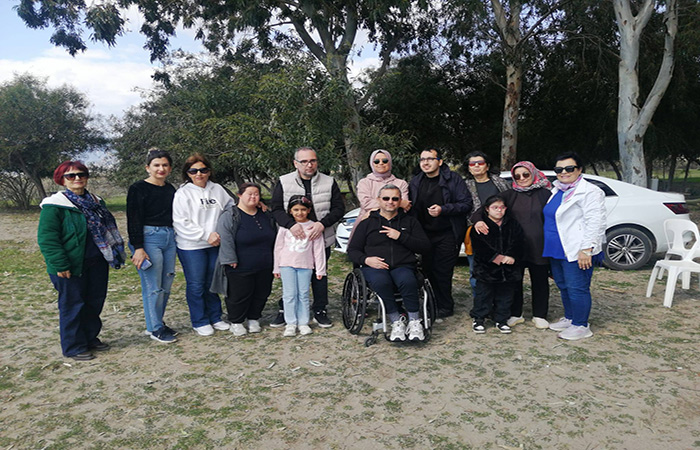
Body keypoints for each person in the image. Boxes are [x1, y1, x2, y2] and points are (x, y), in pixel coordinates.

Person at [38, 161, 126, 361]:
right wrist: (60, 264)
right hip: (71, 264)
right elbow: (48, 238)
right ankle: (73, 346)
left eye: (81, 174)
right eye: (71, 176)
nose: (77, 178)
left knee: (94, 302)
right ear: (62, 180)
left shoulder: (96, 202)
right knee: (73, 305)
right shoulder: (55, 206)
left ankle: (89, 338)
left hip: (97, 261)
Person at [270, 147, 345, 328]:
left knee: (319, 275)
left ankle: (320, 309)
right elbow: (276, 209)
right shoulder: (284, 181)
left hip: (320, 237)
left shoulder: (329, 182)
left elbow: (338, 208)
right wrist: (291, 225)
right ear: (296, 163)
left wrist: (322, 224)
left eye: (312, 160)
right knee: (290, 277)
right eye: (304, 161)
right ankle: (286, 310)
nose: (309, 165)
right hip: (293, 241)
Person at [472, 161, 552, 329]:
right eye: (517, 176)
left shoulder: (546, 194)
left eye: (525, 174)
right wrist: (478, 221)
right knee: (514, 281)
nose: (521, 178)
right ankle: (516, 313)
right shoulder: (509, 195)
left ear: (533, 173)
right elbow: (483, 209)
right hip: (514, 248)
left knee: (540, 280)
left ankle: (540, 314)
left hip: (539, 245)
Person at [348, 184, 431, 341]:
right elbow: (352, 250)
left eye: (395, 199)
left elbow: (425, 246)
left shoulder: (410, 222)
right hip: (374, 267)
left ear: (400, 201)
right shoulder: (367, 223)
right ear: (379, 200)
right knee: (381, 281)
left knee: (407, 280)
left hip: (403, 265)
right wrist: (367, 260)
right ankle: (396, 321)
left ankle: (414, 321)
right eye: (386, 198)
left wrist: (401, 236)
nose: (390, 202)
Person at [543, 152, 606, 341]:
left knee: (577, 287)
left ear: (579, 170)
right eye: (559, 169)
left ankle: (581, 325)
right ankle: (570, 318)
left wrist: (587, 249)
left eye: (569, 168)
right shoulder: (558, 190)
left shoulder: (590, 191)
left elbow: (595, 221)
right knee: (563, 285)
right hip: (557, 248)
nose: (564, 172)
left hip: (577, 249)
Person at [172, 153, 233, 336]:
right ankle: (199, 320)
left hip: (215, 244)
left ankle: (215, 317)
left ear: (209, 171)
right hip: (192, 246)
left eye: (203, 170)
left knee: (212, 282)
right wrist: (206, 235)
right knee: (196, 284)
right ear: (188, 173)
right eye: (194, 171)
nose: (199, 174)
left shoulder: (217, 189)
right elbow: (181, 222)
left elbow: (230, 208)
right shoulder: (183, 193)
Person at [408, 148, 471, 319]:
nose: (425, 163)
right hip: (424, 234)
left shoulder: (453, 179)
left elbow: (466, 203)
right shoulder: (416, 181)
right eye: (422, 159)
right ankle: (431, 304)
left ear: (440, 162)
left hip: (447, 232)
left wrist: (443, 209)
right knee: (427, 270)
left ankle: (445, 306)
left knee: (443, 271)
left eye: (430, 159)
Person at [127, 148, 178, 344]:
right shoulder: (138, 188)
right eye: (156, 165)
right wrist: (138, 247)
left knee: (166, 282)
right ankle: (155, 328)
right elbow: (133, 219)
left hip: (169, 237)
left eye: (165, 165)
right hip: (149, 238)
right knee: (153, 286)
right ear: (148, 168)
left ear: (170, 168)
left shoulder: (170, 189)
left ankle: (158, 321)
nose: (161, 169)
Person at [211, 183, 276, 336]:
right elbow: (225, 237)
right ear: (239, 195)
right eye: (249, 194)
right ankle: (236, 321)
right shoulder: (230, 216)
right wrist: (229, 259)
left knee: (261, 293)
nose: (253, 197)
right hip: (239, 265)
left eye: (256, 194)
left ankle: (254, 318)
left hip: (265, 263)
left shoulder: (266, 214)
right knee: (239, 295)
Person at [273, 195, 327, 337]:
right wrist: (276, 267)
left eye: (303, 209)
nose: (299, 213)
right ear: (290, 211)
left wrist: (320, 269)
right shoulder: (285, 227)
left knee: (303, 294)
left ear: (309, 210)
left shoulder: (313, 227)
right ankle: (290, 323)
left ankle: (303, 322)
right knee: (289, 295)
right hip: (286, 265)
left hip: (305, 266)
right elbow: (278, 248)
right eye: (296, 210)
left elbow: (318, 250)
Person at [470, 195, 524, 334]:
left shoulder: (513, 224)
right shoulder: (481, 226)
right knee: (483, 295)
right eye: (495, 207)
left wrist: (511, 256)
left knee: (505, 296)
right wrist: (497, 257)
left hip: (509, 269)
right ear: (487, 209)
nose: (499, 210)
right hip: (486, 269)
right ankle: (479, 318)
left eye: (502, 207)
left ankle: (501, 319)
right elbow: (480, 247)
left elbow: (519, 242)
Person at [464, 151, 510, 295]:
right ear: (468, 168)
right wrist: (475, 221)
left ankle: (500, 303)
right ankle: (481, 302)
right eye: (472, 164)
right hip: (477, 233)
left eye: (480, 163)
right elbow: (462, 208)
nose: (476, 166)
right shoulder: (465, 186)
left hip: (501, 233)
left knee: (501, 268)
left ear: (487, 166)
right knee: (476, 271)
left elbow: (510, 204)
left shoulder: (500, 183)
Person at [355, 149, 410, 223]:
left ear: (390, 162)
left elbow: (405, 206)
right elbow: (366, 203)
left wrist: (373, 208)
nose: (381, 163)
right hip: (369, 222)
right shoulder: (364, 183)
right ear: (371, 163)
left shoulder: (401, 183)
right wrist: (399, 203)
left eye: (385, 161)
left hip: (396, 222)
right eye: (376, 161)